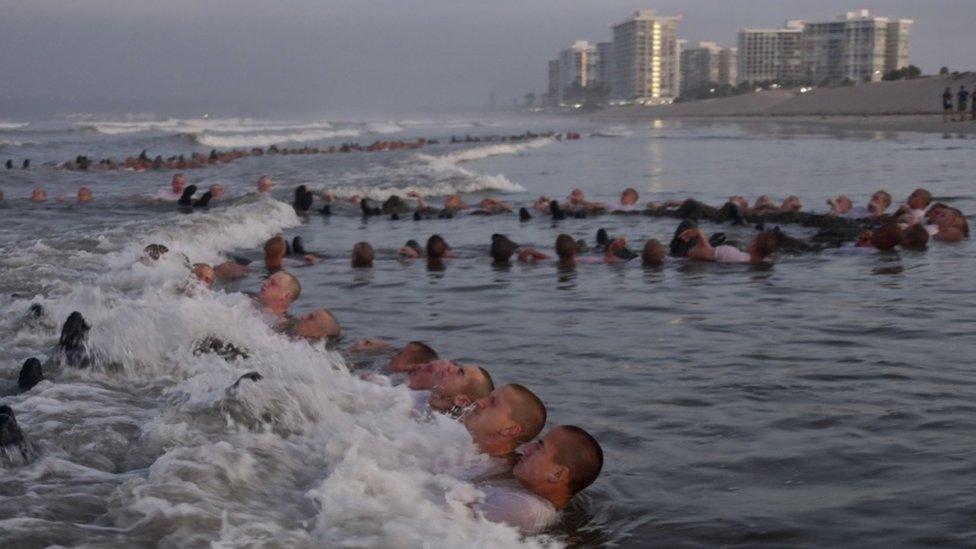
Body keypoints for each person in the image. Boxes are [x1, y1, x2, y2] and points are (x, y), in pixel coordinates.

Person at [478, 425, 603, 535]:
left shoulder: (523, 509)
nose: (526, 449)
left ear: (557, 474)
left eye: (539, 447)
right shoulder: (532, 502)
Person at [463, 383, 547, 458]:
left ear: (510, 430)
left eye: (493, 402)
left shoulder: (497, 472)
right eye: (487, 397)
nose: (479, 402)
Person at [408, 359, 495, 413]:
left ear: (461, 401)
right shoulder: (417, 395)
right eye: (457, 366)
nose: (450, 367)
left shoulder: (453, 431)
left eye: (459, 372)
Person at [679, 228, 778, 264]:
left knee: (688, 223)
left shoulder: (733, 255)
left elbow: (703, 252)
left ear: (754, 245)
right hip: (703, 255)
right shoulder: (763, 260)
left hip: (683, 253)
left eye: (752, 240)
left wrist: (700, 233)